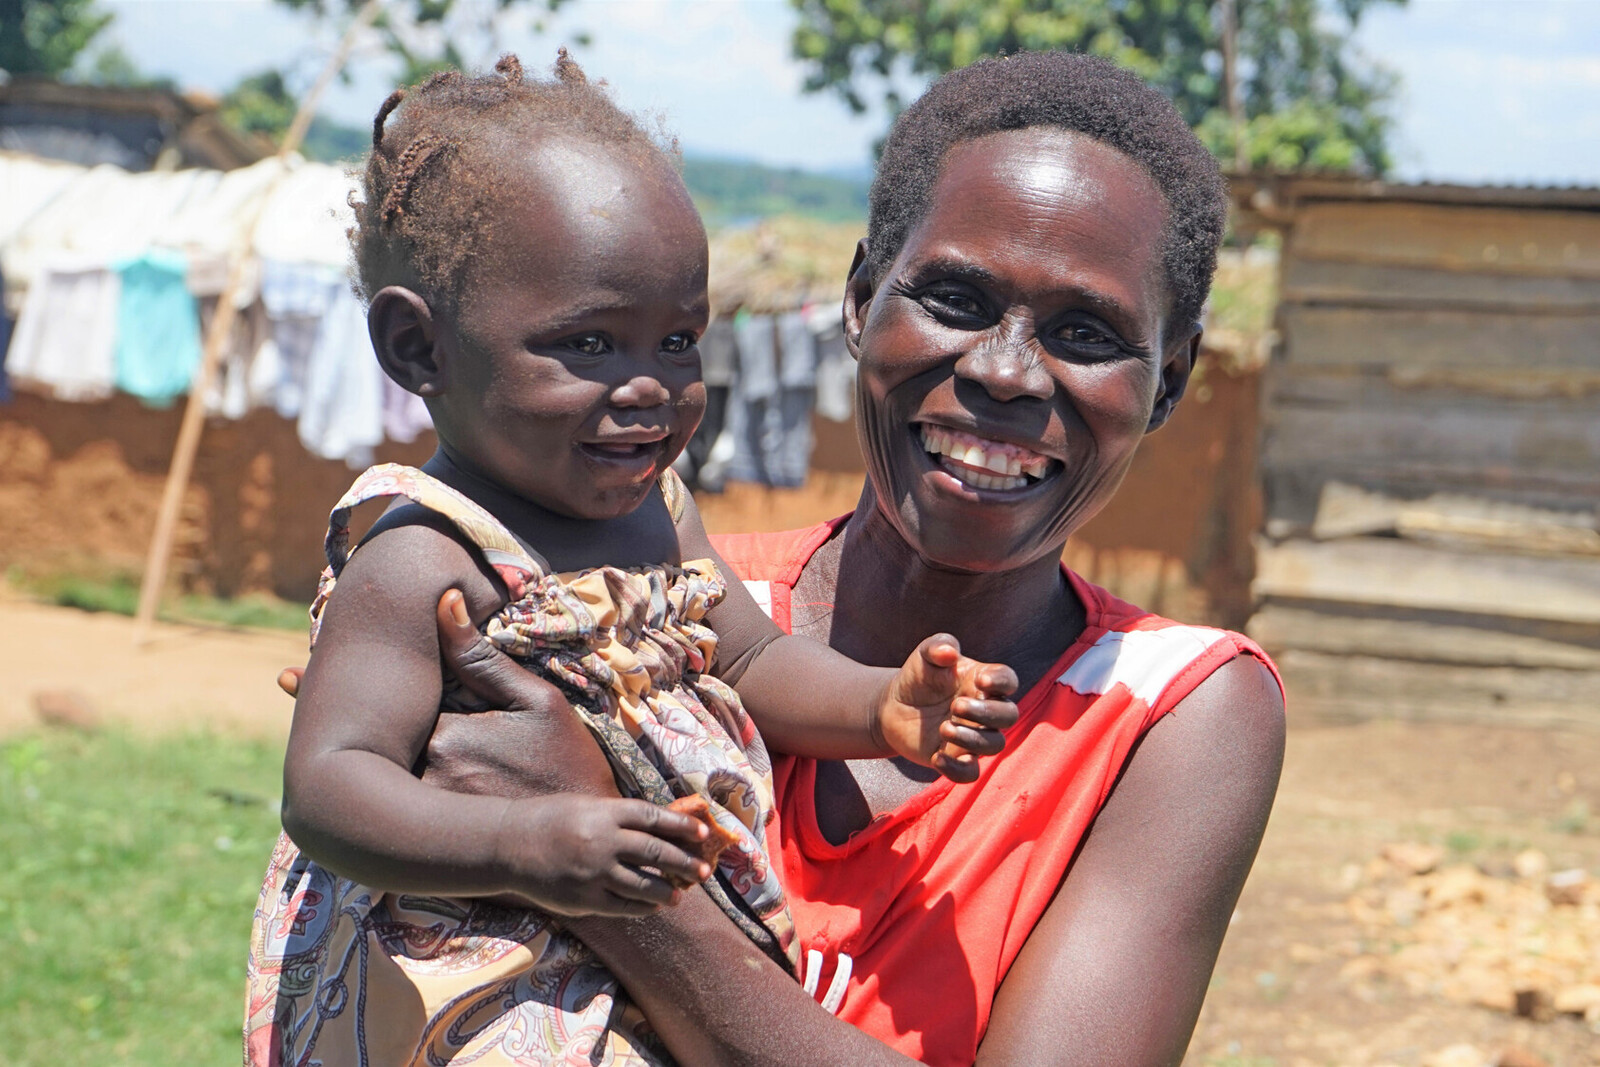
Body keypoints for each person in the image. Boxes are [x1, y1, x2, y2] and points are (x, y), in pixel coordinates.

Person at [378, 51, 1288, 1066]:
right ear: (860, 302)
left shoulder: (1168, 712)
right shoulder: (652, 605)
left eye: (1085, 332)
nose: (1002, 370)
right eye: (954, 298)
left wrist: (601, 863)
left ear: (1166, 383)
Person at [243, 53, 1020, 1067]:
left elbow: (748, 661)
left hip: (643, 968)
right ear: (416, 347)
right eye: (592, 345)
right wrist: (532, 844)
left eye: (679, 340)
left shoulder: (660, 512)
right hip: (469, 977)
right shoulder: (423, 556)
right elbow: (331, 785)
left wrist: (878, 707)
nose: (652, 386)